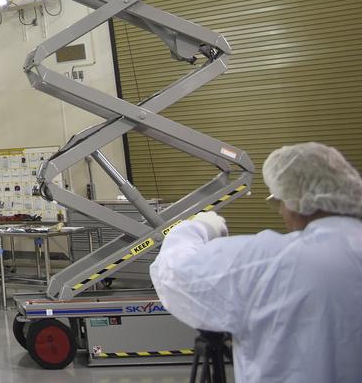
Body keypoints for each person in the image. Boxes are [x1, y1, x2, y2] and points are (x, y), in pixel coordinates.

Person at [150, 143, 362, 382]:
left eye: (278, 202)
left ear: (294, 201)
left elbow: (175, 273)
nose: (280, 213)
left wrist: (199, 227)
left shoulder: (269, 262)